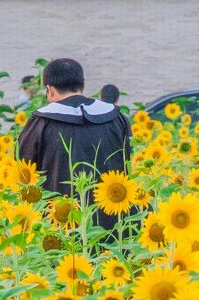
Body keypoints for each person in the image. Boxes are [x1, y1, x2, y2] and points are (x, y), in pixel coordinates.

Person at [18, 58, 132, 233]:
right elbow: (128, 164)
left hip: (59, 228)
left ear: (49, 90)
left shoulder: (40, 123)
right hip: (114, 227)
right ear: (83, 86)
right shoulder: (115, 118)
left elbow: (24, 171)